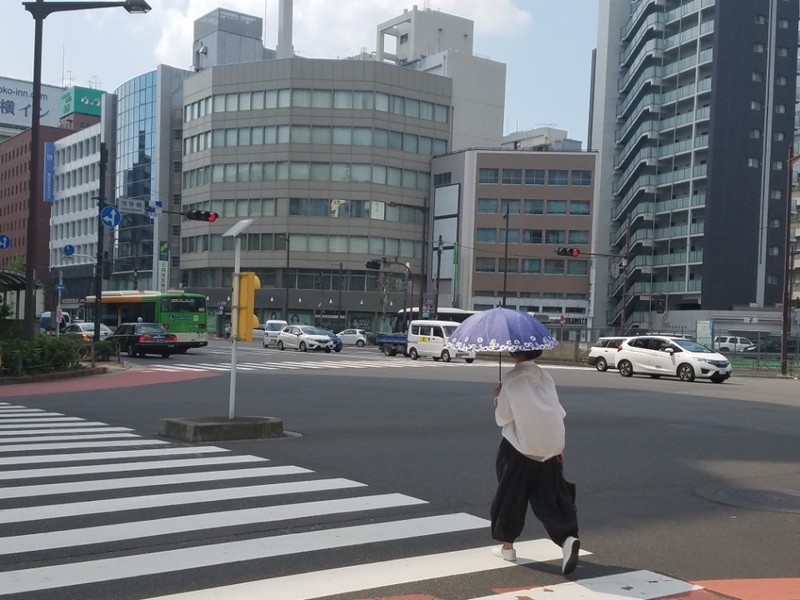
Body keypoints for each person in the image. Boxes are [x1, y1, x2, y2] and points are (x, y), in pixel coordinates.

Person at [490, 348, 580, 576]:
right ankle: (567, 538)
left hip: (519, 448)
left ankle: (508, 547)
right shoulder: (546, 376)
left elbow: (503, 418)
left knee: (510, 496)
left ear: (512, 353)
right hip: (549, 448)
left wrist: (498, 397)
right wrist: (559, 447)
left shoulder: (511, 379)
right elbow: (555, 412)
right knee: (550, 498)